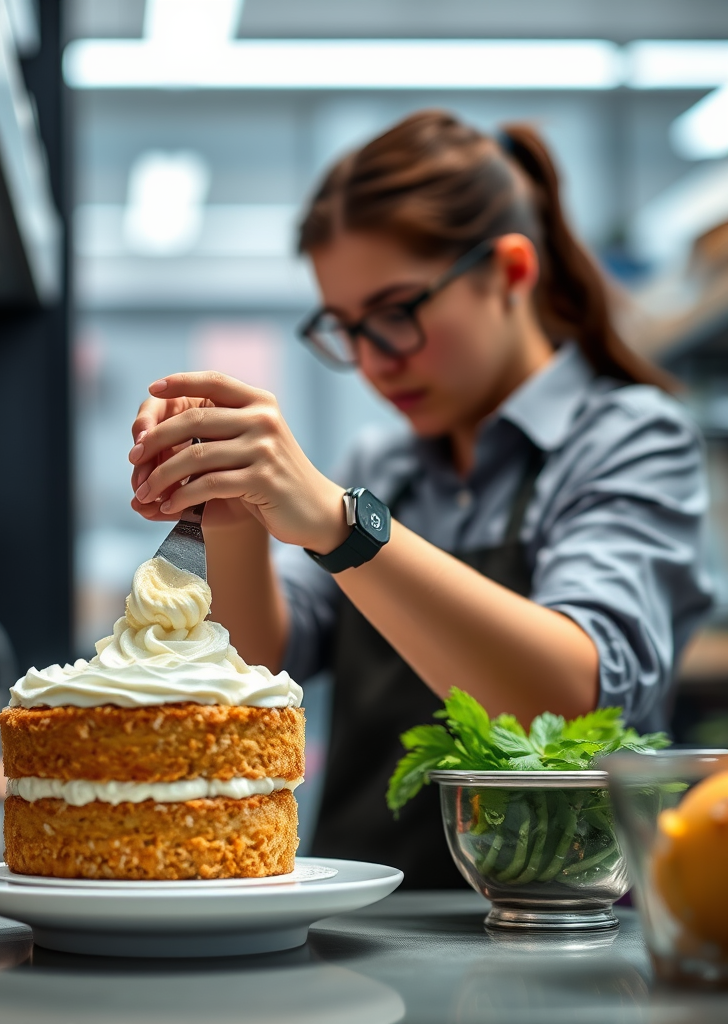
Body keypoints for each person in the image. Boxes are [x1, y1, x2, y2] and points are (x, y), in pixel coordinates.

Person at [126, 111, 712, 886]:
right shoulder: (385, 465)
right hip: (363, 927)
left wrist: (344, 527)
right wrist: (233, 508)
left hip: (562, 931)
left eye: (396, 313)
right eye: (347, 328)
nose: (375, 361)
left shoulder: (630, 438)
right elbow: (255, 665)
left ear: (509, 272)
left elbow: (573, 705)